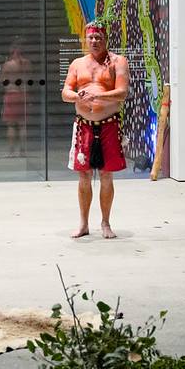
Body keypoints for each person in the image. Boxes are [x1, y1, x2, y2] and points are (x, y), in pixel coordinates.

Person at [61, 20, 129, 239]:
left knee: (107, 175)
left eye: (98, 37)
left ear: (105, 38)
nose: (94, 41)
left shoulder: (118, 62)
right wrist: (77, 95)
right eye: (91, 37)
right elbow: (65, 93)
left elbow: (122, 93)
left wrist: (98, 95)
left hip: (109, 124)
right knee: (84, 175)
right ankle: (83, 224)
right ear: (86, 39)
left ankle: (106, 223)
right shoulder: (77, 64)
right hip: (84, 126)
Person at [0, 44, 32, 157]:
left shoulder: (7, 65)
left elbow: (0, 80)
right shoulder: (27, 63)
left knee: (11, 125)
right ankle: (23, 151)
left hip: (11, 94)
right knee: (23, 125)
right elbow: (29, 77)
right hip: (24, 94)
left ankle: (11, 152)